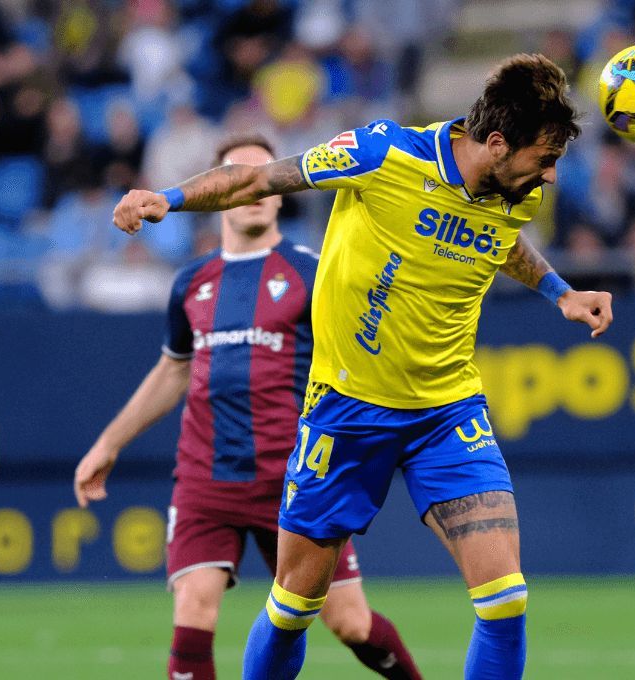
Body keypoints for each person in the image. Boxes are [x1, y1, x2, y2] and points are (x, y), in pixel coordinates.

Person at [111, 54, 613, 680]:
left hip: (447, 410)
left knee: (505, 597)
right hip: (347, 410)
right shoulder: (384, 154)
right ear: (494, 143)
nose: (552, 175)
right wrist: (171, 197)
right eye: (544, 158)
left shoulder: (516, 190)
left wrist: (560, 292)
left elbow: (500, 237)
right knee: (295, 606)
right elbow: (258, 181)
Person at [75, 135, 422, 680]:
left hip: (295, 477)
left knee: (351, 623)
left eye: (264, 177)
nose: (252, 188)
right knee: (193, 609)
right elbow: (174, 368)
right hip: (206, 477)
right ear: (216, 191)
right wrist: (108, 442)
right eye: (236, 175)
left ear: (281, 192)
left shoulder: (318, 273)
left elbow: (365, 359)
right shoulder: (192, 281)